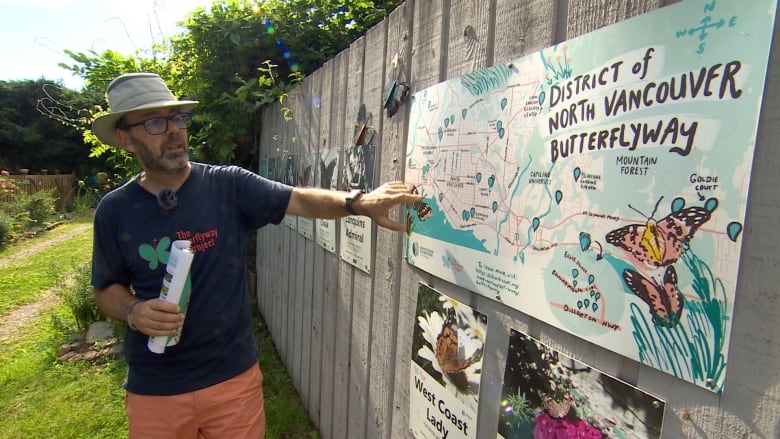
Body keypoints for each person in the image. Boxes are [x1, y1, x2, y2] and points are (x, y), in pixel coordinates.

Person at [90, 72, 421, 438]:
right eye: (154, 122)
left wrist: (358, 202)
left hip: (231, 381)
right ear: (125, 138)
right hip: (156, 389)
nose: (173, 130)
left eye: (177, 118)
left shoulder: (227, 185)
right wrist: (133, 311)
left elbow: (297, 198)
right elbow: (106, 288)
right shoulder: (114, 210)